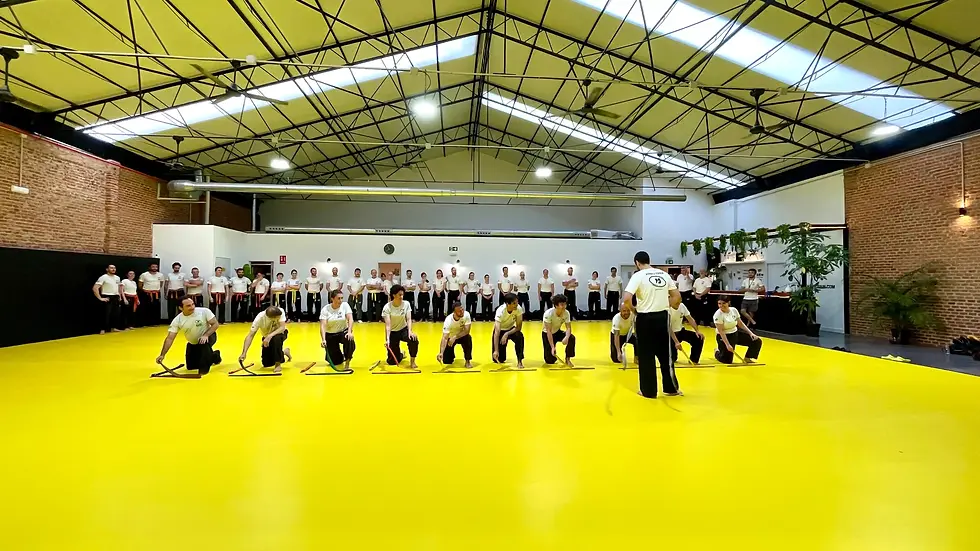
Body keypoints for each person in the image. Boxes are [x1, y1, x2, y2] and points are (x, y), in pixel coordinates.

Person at [623, 251, 681, 398]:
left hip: (645, 318)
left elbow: (627, 298)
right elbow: (677, 297)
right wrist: (663, 305)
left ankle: (648, 391)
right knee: (665, 354)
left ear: (637, 262)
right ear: (649, 260)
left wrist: (634, 311)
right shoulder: (663, 274)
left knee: (646, 355)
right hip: (662, 317)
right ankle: (671, 388)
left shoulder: (638, 276)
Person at [157, 295, 221, 375]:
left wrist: (206, 335)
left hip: (208, 337)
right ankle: (215, 355)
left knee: (203, 355)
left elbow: (215, 324)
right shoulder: (177, 320)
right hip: (193, 343)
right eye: (188, 306)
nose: (192, 307)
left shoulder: (204, 311)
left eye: (193, 304)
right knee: (191, 366)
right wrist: (162, 355)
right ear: (181, 308)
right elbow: (170, 338)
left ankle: (205, 366)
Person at [240, 306, 291, 373]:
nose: (279, 318)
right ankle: (284, 352)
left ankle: (278, 364)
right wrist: (244, 353)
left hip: (280, 333)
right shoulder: (259, 319)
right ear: (272, 318)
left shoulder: (280, 311)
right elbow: (250, 336)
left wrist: (269, 336)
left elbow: (282, 328)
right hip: (266, 336)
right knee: (266, 363)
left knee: (276, 339)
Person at [713, 295, 762, 363]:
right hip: (724, 336)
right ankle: (717, 351)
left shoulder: (733, 310)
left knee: (756, 341)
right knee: (727, 360)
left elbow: (740, 323)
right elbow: (721, 331)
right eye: (719, 304)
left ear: (728, 303)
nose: (721, 306)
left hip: (734, 333)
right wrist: (727, 344)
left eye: (723, 303)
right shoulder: (718, 315)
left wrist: (751, 333)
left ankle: (747, 358)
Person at [382, 285, 419, 369]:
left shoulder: (406, 304)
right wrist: (387, 339)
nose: (401, 297)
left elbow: (409, 319)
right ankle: (401, 354)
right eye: (399, 295)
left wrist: (410, 332)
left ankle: (412, 361)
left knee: (413, 339)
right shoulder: (387, 307)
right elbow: (388, 325)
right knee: (392, 362)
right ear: (394, 295)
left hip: (403, 329)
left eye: (402, 295)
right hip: (393, 332)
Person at [320, 289, 355, 370]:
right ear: (332, 299)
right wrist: (323, 339)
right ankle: (339, 356)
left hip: (343, 332)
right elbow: (323, 325)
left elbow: (350, 319)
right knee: (336, 361)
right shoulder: (325, 309)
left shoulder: (345, 305)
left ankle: (348, 360)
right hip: (331, 334)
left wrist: (349, 332)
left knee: (349, 339)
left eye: (342, 298)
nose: (341, 300)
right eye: (338, 298)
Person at [492, 293, 524, 368]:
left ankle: (520, 361)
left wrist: (507, 334)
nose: (516, 305)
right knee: (499, 358)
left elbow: (518, 327)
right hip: (501, 330)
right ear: (507, 304)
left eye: (517, 302)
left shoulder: (518, 309)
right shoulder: (500, 311)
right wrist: (496, 350)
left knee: (519, 336)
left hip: (511, 329)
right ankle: (499, 352)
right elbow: (496, 332)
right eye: (514, 303)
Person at [670, 293, 704, 365]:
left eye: (680, 300)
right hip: (670, 335)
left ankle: (694, 360)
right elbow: (668, 327)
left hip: (680, 331)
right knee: (673, 359)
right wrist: (676, 342)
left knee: (699, 338)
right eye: (677, 301)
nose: (678, 303)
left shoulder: (682, 306)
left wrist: (697, 331)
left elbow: (690, 319)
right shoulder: (666, 309)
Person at [542, 294, 575, 366]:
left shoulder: (566, 313)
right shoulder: (548, 314)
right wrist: (552, 346)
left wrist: (566, 337)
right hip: (547, 334)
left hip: (557, 332)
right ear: (556, 305)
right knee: (550, 360)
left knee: (571, 338)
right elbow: (549, 331)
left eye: (565, 304)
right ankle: (553, 348)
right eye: (562, 305)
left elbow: (568, 328)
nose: (564, 307)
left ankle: (567, 359)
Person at [438, 301, 473, 368]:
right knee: (447, 361)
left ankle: (468, 361)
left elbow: (466, 331)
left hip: (462, 336)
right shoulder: (448, 321)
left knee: (468, 338)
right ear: (454, 312)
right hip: (450, 338)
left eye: (462, 309)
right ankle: (451, 355)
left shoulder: (466, 315)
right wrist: (441, 352)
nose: (462, 311)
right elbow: (444, 338)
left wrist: (455, 337)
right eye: (459, 311)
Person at [93, 264, 122, 334]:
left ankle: (113, 328)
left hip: (115, 296)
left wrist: (120, 296)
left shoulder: (117, 278)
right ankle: (102, 329)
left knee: (116, 313)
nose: (113, 269)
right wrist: (100, 298)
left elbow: (118, 287)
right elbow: (95, 288)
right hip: (107, 296)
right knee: (105, 314)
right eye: (111, 268)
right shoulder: (103, 277)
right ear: (107, 269)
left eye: (114, 268)